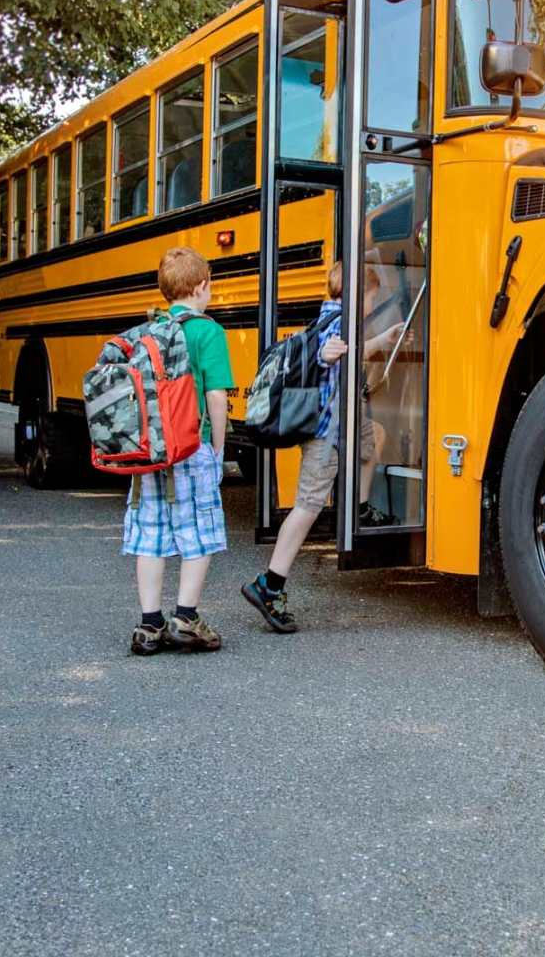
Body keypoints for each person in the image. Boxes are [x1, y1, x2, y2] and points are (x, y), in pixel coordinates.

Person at [241, 260, 404, 633]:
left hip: (343, 424)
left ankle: (360, 508)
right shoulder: (338, 324)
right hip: (325, 432)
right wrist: (328, 355)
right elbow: (328, 353)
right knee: (308, 505)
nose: (372, 301)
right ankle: (270, 584)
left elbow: (350, 350)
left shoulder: (328, 317)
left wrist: (382, 340)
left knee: (373, 437)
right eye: (371, 294)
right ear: (358, 293)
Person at [125, 246, 235, 656]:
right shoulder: (208, 331)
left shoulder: (147, 330)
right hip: (192, 446)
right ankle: (185, 617)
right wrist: (218, 450)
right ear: (202, 286)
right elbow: (217, 396)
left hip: (149, 450)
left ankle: (149, 625)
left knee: (150, 534)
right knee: (199, 533)